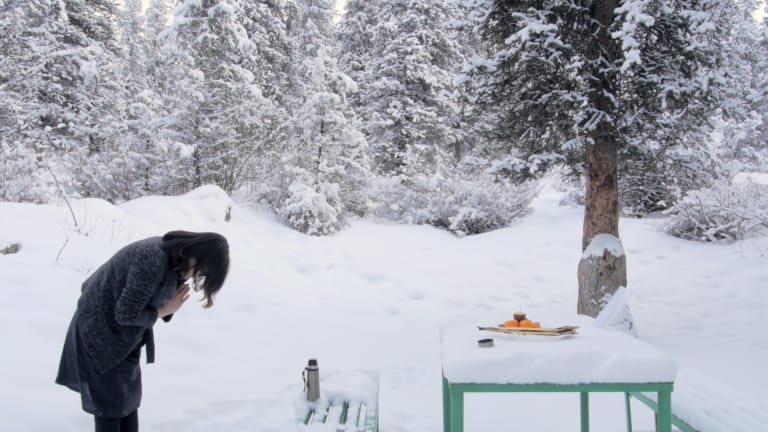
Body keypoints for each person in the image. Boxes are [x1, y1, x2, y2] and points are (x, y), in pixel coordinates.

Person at [56, 231, 230, 432]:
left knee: (128, 406)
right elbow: (126, 313)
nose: (197, 277)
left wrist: (166, 307)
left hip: (126, 339)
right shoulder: (154, 258)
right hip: (99, 334)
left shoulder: (176, 260)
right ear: (199, 258)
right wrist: (164, 310)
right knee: (111, 410)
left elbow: (152, 300)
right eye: (202, 272)